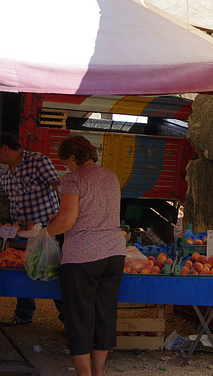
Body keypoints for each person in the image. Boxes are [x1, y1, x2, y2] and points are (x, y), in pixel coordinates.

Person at [45, 135, 126, 376]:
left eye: (65, 161)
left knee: (79, 316)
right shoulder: (110, 175)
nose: (65, 166)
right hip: (114, 252)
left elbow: (67, 220)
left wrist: (46, 232)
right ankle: (99, 370)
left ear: (72, 157)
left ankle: (84, 372)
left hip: (83, 254)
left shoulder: (74, 179)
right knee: (105, 313)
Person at [0, 132, 61, 326]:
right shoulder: (4, 172)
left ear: (4, 148)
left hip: (46, 231)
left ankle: (67, 318)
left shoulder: (37, 161)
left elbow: (58, 185)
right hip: (20, 232)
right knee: (22, 268)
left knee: (50, 269)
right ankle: (24, 313)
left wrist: (66, 213)